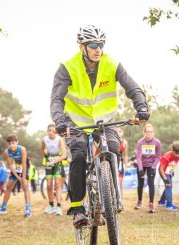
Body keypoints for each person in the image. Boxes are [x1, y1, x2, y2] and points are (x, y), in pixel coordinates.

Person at [50, 25, 149, 228]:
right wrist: (60, 122)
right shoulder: (67, 67)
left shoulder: (111, 64)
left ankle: (109, 192)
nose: (98, 49)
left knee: (113, 148)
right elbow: (56, 98)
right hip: (75, 121)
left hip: (105, 120)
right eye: (93, 45)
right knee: (78, 156)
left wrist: (141, 108)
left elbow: (133, 87)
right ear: (82, 47)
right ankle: (77, 208)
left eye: (101, 45)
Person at [0, 134, 31, 217]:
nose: (12, 145)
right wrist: (18, 178)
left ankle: (28, 209)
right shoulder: (7, 151)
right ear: (8, 144)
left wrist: (23, 178)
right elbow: (10, 165)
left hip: (24, 166)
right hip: (15, 167)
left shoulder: (22, 149)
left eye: (13, 143)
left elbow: (24, 164)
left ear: (17, 142)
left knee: (25, 186)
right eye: (10, 144)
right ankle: (3, 208)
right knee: (8, 187)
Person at [41, 123, 67, 216]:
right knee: (48, 185)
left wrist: (53, 161)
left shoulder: (59, 139)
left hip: (57, 161)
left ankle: (59, 207)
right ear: (47, 131)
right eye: (49, 131)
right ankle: (51, 205)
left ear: (55, 132)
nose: (51, 132)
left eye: (53, 131)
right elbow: (42, 148)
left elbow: (64, 155)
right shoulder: (44, 139)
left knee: (57, 184)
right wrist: (46, 156)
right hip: (49, 161)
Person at [135, 123, 161, 213]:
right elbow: (138, 157)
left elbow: (158, 157)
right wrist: (141, 169)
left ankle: (151, 203)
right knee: (140, 184)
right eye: (148, 132)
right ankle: (139, 200)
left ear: (153, 133)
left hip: (151, 165)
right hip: (141, 164)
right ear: (144, 132)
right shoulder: (140, 142)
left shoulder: (157, 142)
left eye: (151, 132)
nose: (149, 133)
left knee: (151, 183)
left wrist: (153, 167)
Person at [157, 142, 179, 211]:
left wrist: (172, 171)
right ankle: (169, 205)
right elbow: (161, 169)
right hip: (163, 172)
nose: (178, 155)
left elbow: (172, 164)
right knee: (168, 186)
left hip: (169, 171)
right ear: (173, 151)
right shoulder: (166, 157)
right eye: (176, 153)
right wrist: (165, 179)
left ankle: (161, 202)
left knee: (168, 186)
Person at [117, 126, 128, 199]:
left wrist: (126, 166)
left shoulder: (124, 142)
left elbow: (125, 155)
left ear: (123, 132)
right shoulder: (111, 141)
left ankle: (120, 200)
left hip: (120, 164)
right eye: (117, 131)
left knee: (120, 182)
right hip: (113, 162)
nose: (118, 133)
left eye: (120, 131)